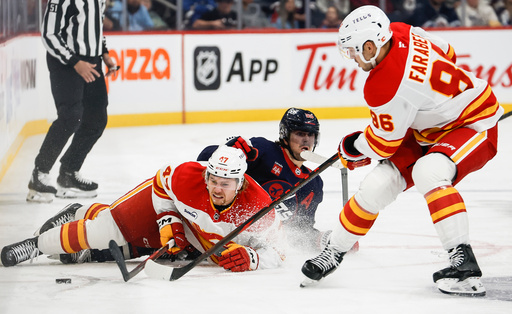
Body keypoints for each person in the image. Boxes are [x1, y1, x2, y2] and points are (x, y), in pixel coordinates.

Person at [300, 5, 503, 297]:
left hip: (474, 123)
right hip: (429, 128)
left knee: (428, 171)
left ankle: (464, 266)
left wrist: (352, 146)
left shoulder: (384, 85)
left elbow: (382, 145)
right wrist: (431, 103)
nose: (354, 59)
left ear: (370, 46)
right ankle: (333, 252)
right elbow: (449, 53)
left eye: (355, 51)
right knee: (375, 186)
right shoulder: (400, 29)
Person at [2, 146, 284, 274]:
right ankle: (34, 245)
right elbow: (162, 182)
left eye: (226, 183)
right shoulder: (188, 177)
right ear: (206, 176)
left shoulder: (258, 206)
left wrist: (254, 258)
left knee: (135, 244)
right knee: (105, 231)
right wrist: (168, 220)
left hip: (197, 235)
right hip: (166, 208)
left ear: (241, 182)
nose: (217, 189)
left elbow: (280, 250)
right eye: (213, 181)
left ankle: (79, 211)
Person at [198, 108, 358, 253]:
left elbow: (300, 232)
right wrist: (227, 150)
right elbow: (203, 161)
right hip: (218, 227)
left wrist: (328, 239)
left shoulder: (313, 183)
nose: (306, 140)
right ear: (285, 135)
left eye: (311, 134)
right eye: (300, 134)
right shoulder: (264, 151)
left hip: (254, 247)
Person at [28, 0, 119, 203]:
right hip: (66, 63)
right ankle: (39, 173)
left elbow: (96, 25)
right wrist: (75, 62)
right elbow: (49, 34)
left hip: (92, 60)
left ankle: (68, 172)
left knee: (96, 120)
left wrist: (104, 53)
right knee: (70, 117)